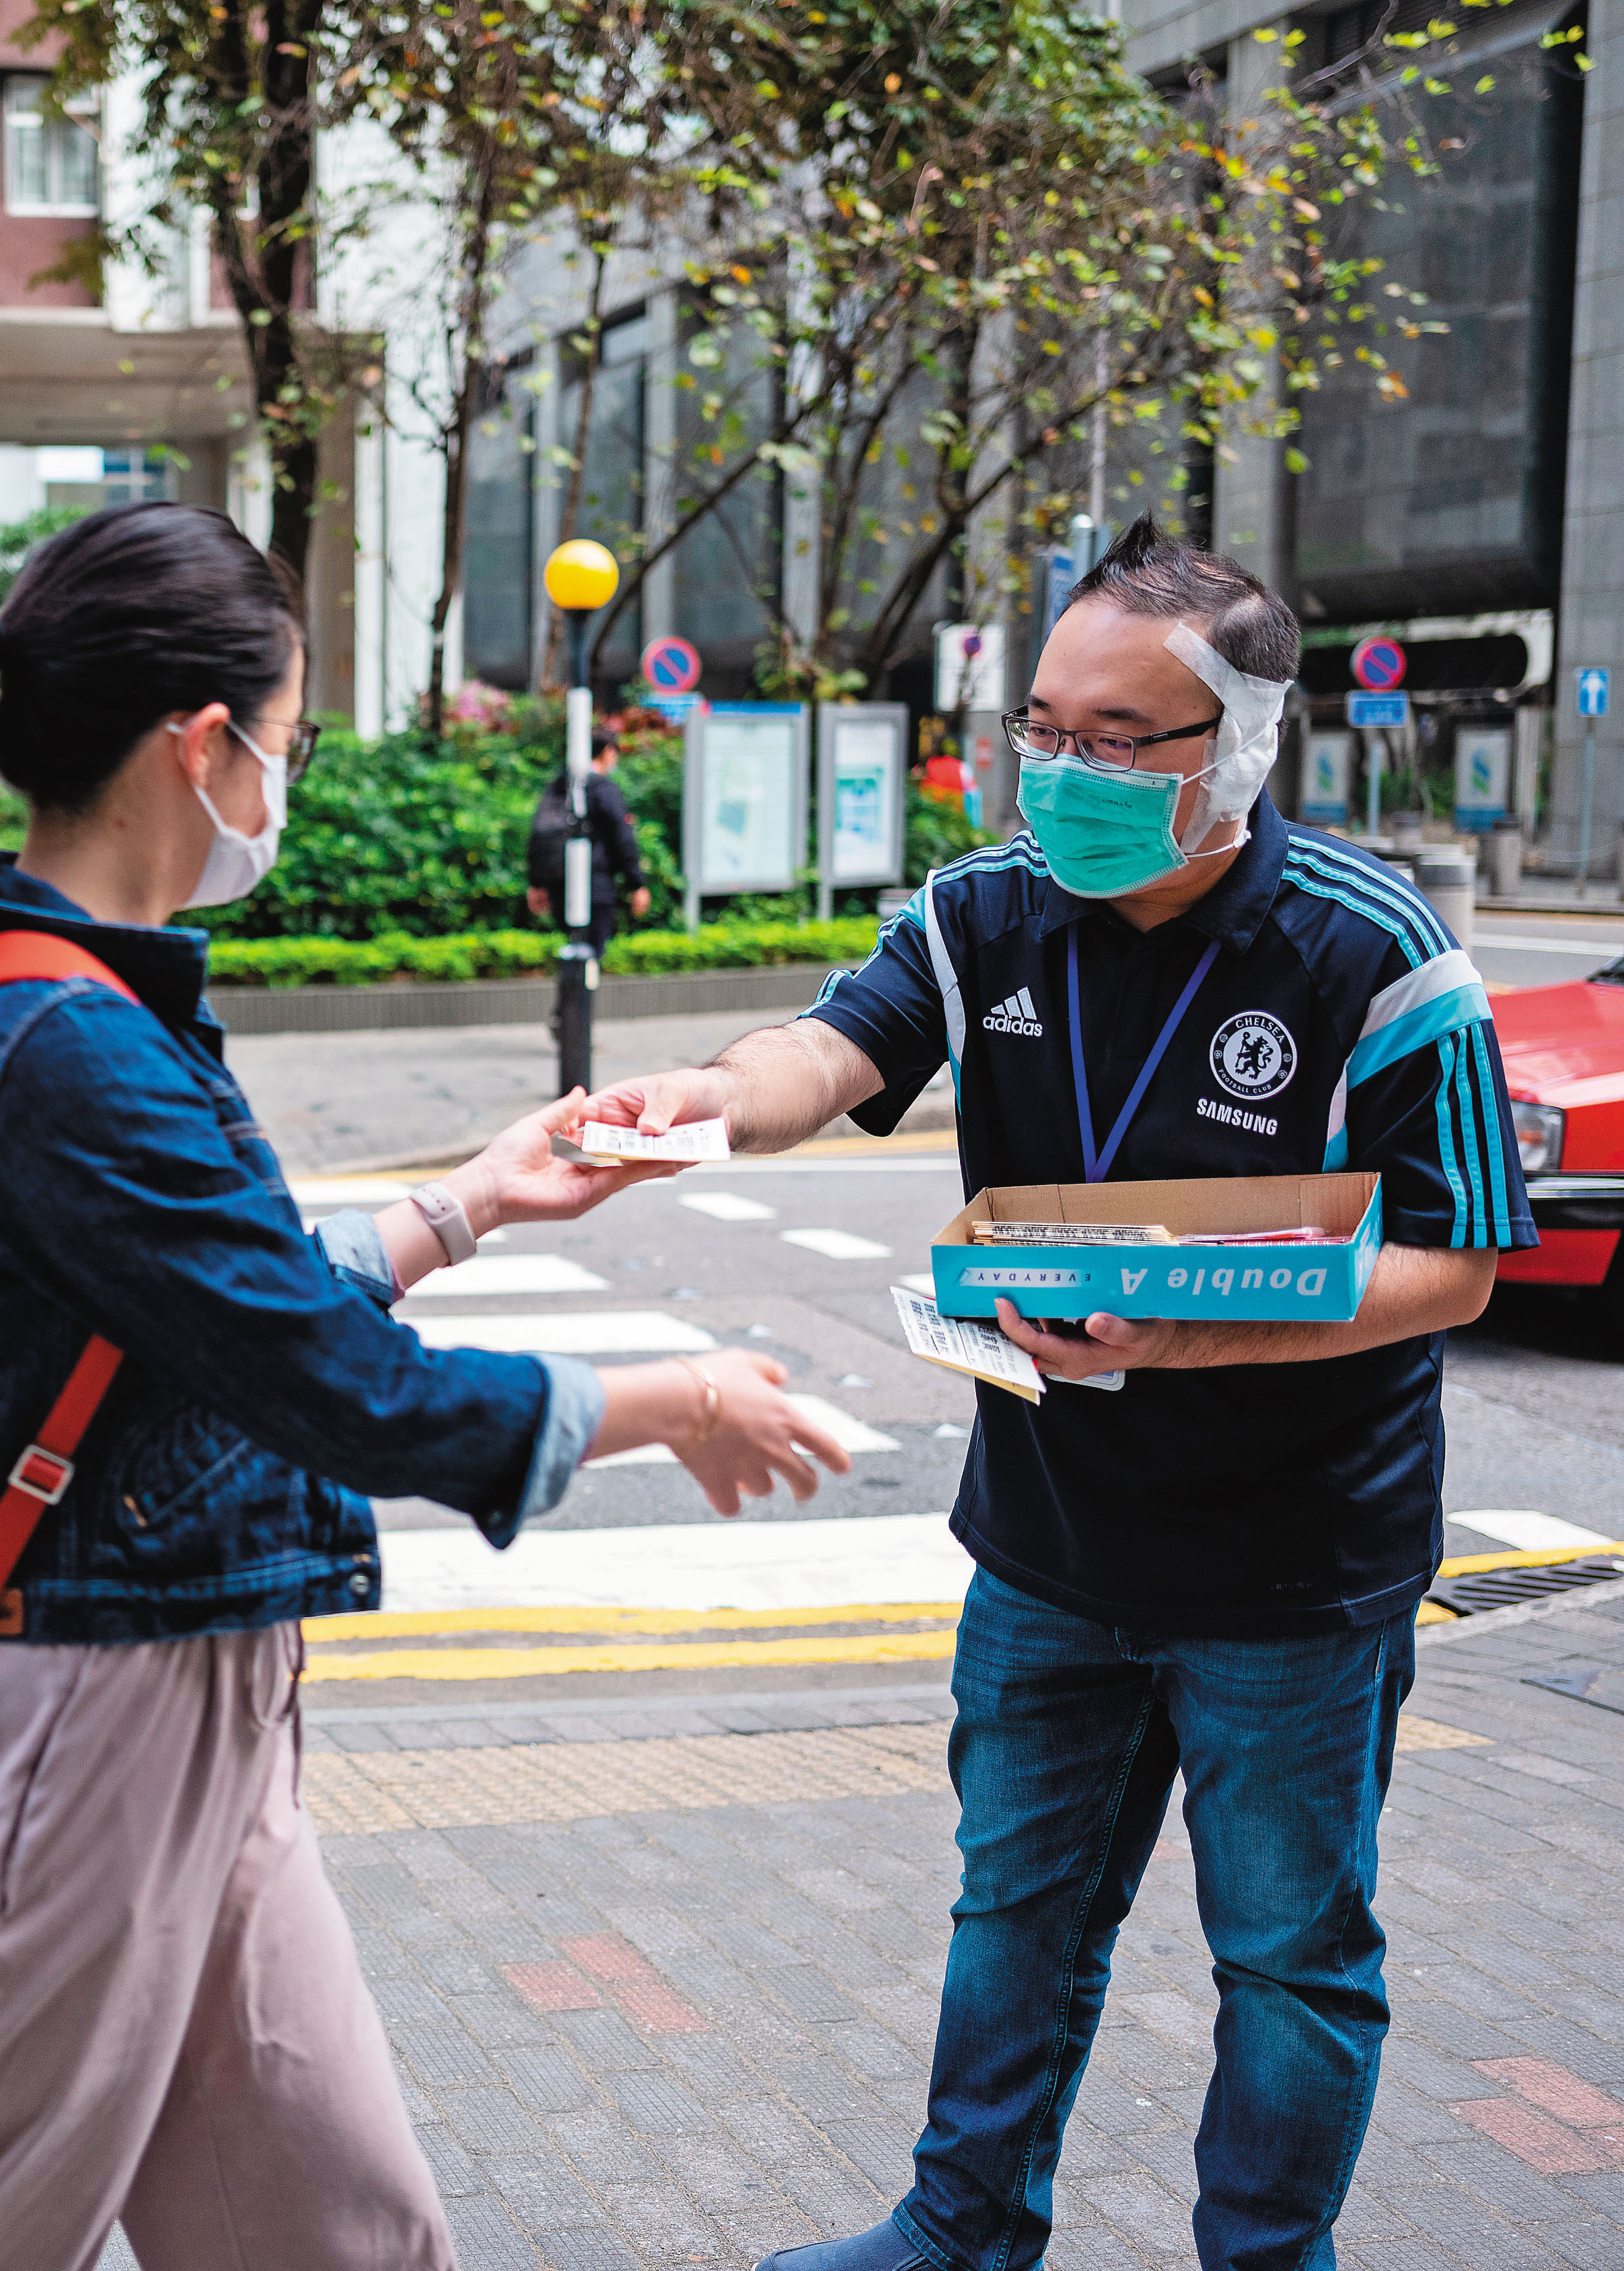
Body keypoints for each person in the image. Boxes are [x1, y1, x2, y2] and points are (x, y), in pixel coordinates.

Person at [0, 501, 854, 2271]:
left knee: (335, 2222)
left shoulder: (79, 1008)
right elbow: (334, 1386)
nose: (289, 779)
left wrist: (467, 1200)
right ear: (205, 746)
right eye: (292, 739)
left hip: (194, 1679)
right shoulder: (61, 1039)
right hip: (88, 1705)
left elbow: (196, 1316)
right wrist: (673, 1395)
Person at [593, 517, 1533, 2271]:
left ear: (1238, 743)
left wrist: (1187, 1333)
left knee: (1284, 1949)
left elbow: (1460, 1259)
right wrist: (710, 1099)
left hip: (1294, 1570)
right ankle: (958, 2230)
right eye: (1042, 727)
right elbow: (830, 1043)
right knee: (1012, 1910)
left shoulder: (1374, 951)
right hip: (1048, 1545)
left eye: (1120, 738)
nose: (1066, 771)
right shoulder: (986, 908)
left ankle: (1267, 2254)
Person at [525, 724, 651, 937]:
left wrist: (536, 883)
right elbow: (622, 838)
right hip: (595, 885)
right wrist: (636, 884)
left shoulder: (559, 785)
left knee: (573, 945)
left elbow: (539, 832)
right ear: (608, 751)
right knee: (590, 952)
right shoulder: (604, 789)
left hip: (559, 884)